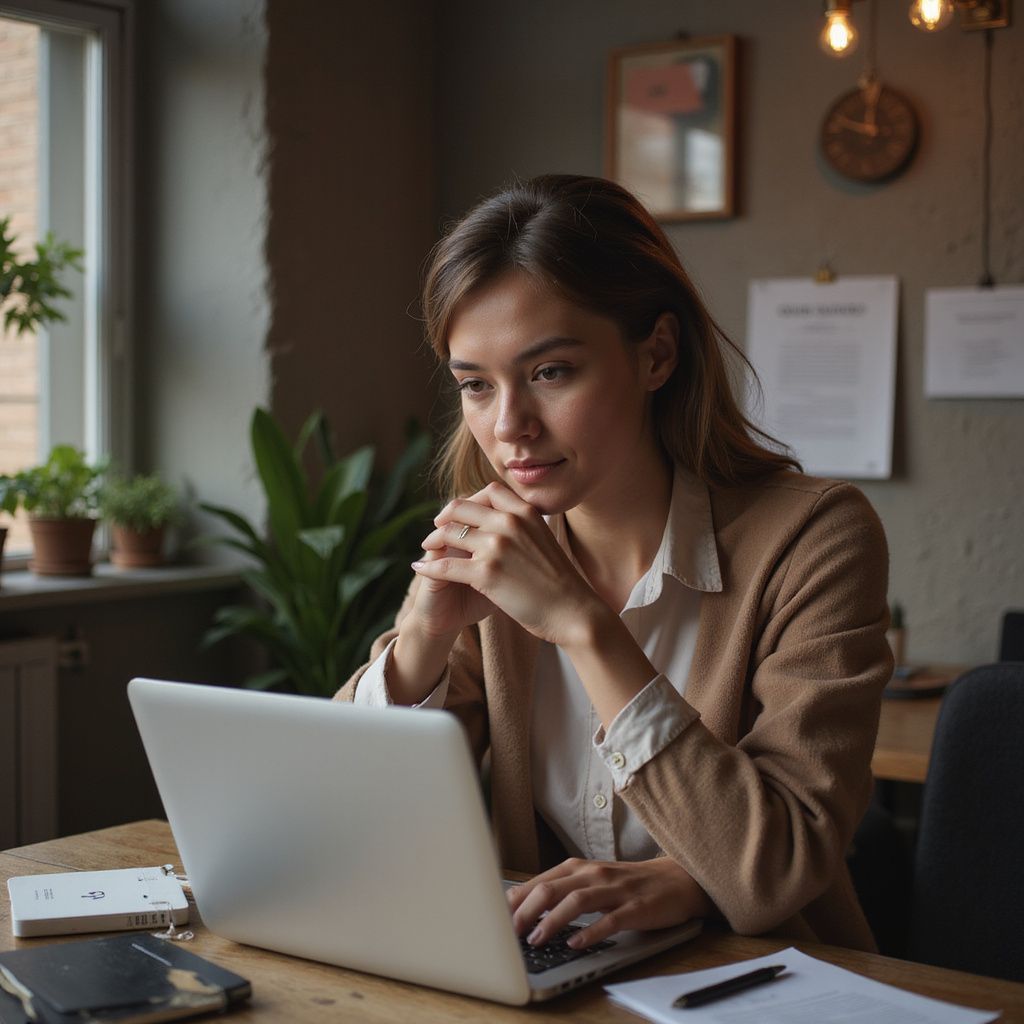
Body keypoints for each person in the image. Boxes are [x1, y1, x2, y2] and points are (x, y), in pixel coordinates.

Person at [334, 174, 892, 953]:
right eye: (475, 385)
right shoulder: (493, 541)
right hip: (547, 978)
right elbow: (347, 822)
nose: (510, 427)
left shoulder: (814, 536)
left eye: (550, 372)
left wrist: (582, 626)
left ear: (657, 353)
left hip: (768, 980)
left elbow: (775, 869)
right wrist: (421, 640)